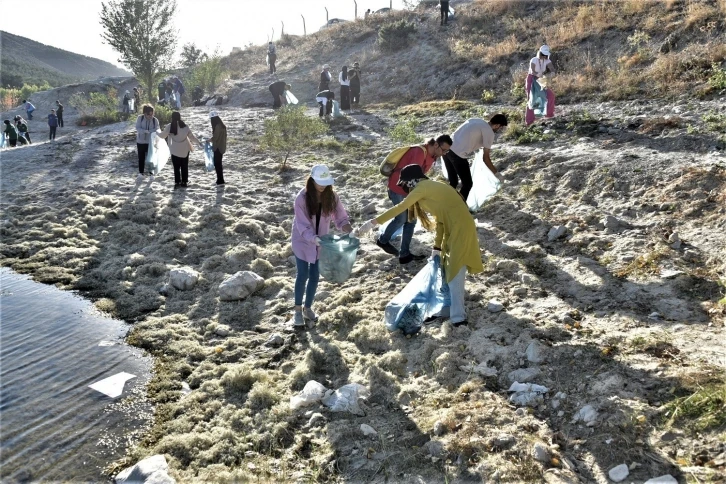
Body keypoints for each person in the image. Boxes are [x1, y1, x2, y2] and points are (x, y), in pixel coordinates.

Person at [356, 164, 484, 327]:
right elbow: (441, 221)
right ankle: (447, 308)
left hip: (461, 228)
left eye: (404, 184)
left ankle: (459, 317)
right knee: (444, 268)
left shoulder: (423, 187)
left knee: (455, 270)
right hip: (452, 227)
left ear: (411, 181)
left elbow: (400, 207)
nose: (404, 188)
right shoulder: (429, 189)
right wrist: (437, 248)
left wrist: (373, 222)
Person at [291, 164, 353, 327]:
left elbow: (341, 217)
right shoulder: (302, 199)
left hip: (321, 241)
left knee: (315, 275)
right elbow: (303, 226)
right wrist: (315, 239)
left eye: (325, 182)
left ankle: (308, 308)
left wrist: (348, 229)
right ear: (311, 180)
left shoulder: (331, 196)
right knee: (302, 274)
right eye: (319, 182)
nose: (322, 186)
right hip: (302, 240)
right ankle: (297, 310)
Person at [376, 135, 453, 264]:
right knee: (401, 218)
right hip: (398, 189)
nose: (444, 154)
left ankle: (404, 254)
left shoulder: (433, 156)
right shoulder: (418, 152)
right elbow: (414, 178)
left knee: (411, 221)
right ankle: (383, 240)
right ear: (436, 145)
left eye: (447, 151)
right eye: (444, 150)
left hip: (411, 190)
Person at [444, 115, 507, 201]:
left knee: (453, 182)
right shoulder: (489, 133)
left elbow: (466, 135)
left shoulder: (476, 120)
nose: (499, 130)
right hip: (458, 155)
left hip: (446, 149)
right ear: (497, 125)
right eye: (500, 128)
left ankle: (445, 204)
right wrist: (497, 174)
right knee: (467, 184)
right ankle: (458, 207)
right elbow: (486, 159)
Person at [157, 111, 200, 188]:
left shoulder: (170, 126)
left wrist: (157, 132)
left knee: (176, 167)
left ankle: (177, 182)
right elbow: (192, 137)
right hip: (184, 149)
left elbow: (162, 136)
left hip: (174, 150)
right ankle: (184, 182)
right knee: (184, 166)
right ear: (180, 117)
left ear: (172, 118)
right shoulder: (185, 126)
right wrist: (199, 142)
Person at [525, 44, 556, 126]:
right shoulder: (534, 60)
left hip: (540, 80)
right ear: (540, 53)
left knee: (550, 95)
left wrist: (552, 73)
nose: (544, 56)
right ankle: (529, 121)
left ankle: (549, 115)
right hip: (532, 79)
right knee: (531, 99)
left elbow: (552, 68)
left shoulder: (547, 61)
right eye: (543, 54)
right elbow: (533, 70)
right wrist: (540, 75)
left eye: (546, 55)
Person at [135, 104, 160, 178]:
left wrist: (150, 131)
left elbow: (157, 129)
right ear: (145, 113)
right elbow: (137, 127)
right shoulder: (140, 118)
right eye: (149, 114)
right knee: (141, 158)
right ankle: (141, 173)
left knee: (151, 158)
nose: (150, 116)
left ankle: (151, 173)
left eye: (152, 114)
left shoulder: (155, 120)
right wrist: (144, 131)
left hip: (150, 142)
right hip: (140, 141)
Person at [209, 111, 227, 186]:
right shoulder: (223, 126)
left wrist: (209, 140)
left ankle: (220, 180)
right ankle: (220, 179)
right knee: (219, 164)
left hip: (218, 148)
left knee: (217, 164)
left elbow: (215, 137)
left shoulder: (217, 126)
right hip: (222, 147)